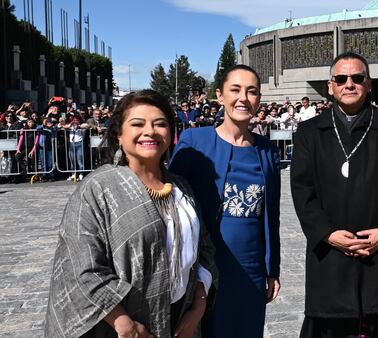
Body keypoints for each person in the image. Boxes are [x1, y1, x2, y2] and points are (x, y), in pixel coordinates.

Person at [45, 90, 216, 338]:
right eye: (137, 124)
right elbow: (80, 265)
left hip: (180, 320)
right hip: (118, 325)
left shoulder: (182, 187)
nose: (150, 131)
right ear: (119, 133)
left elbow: (205, 250)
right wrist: (125, 325)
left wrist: (197, 309)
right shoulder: (97, 188)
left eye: (160, 124)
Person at [291, 51, 378, 338]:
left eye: (357, 78)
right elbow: (302, 191)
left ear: (369, 84)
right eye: (341, 78)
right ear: (330, 86)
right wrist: (327, 234)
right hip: (330, 254)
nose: (349, 84)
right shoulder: (309, 132)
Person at [170, 64, 281, 338]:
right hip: (207, 268)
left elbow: (272, 214)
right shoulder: (195, 141)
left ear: (259, 99)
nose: (243, 98)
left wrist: (272, 268)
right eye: (235, 90)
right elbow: (173, 203)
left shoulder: (267, 151)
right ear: (220, 96)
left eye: (252, 92)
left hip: (251, 269)